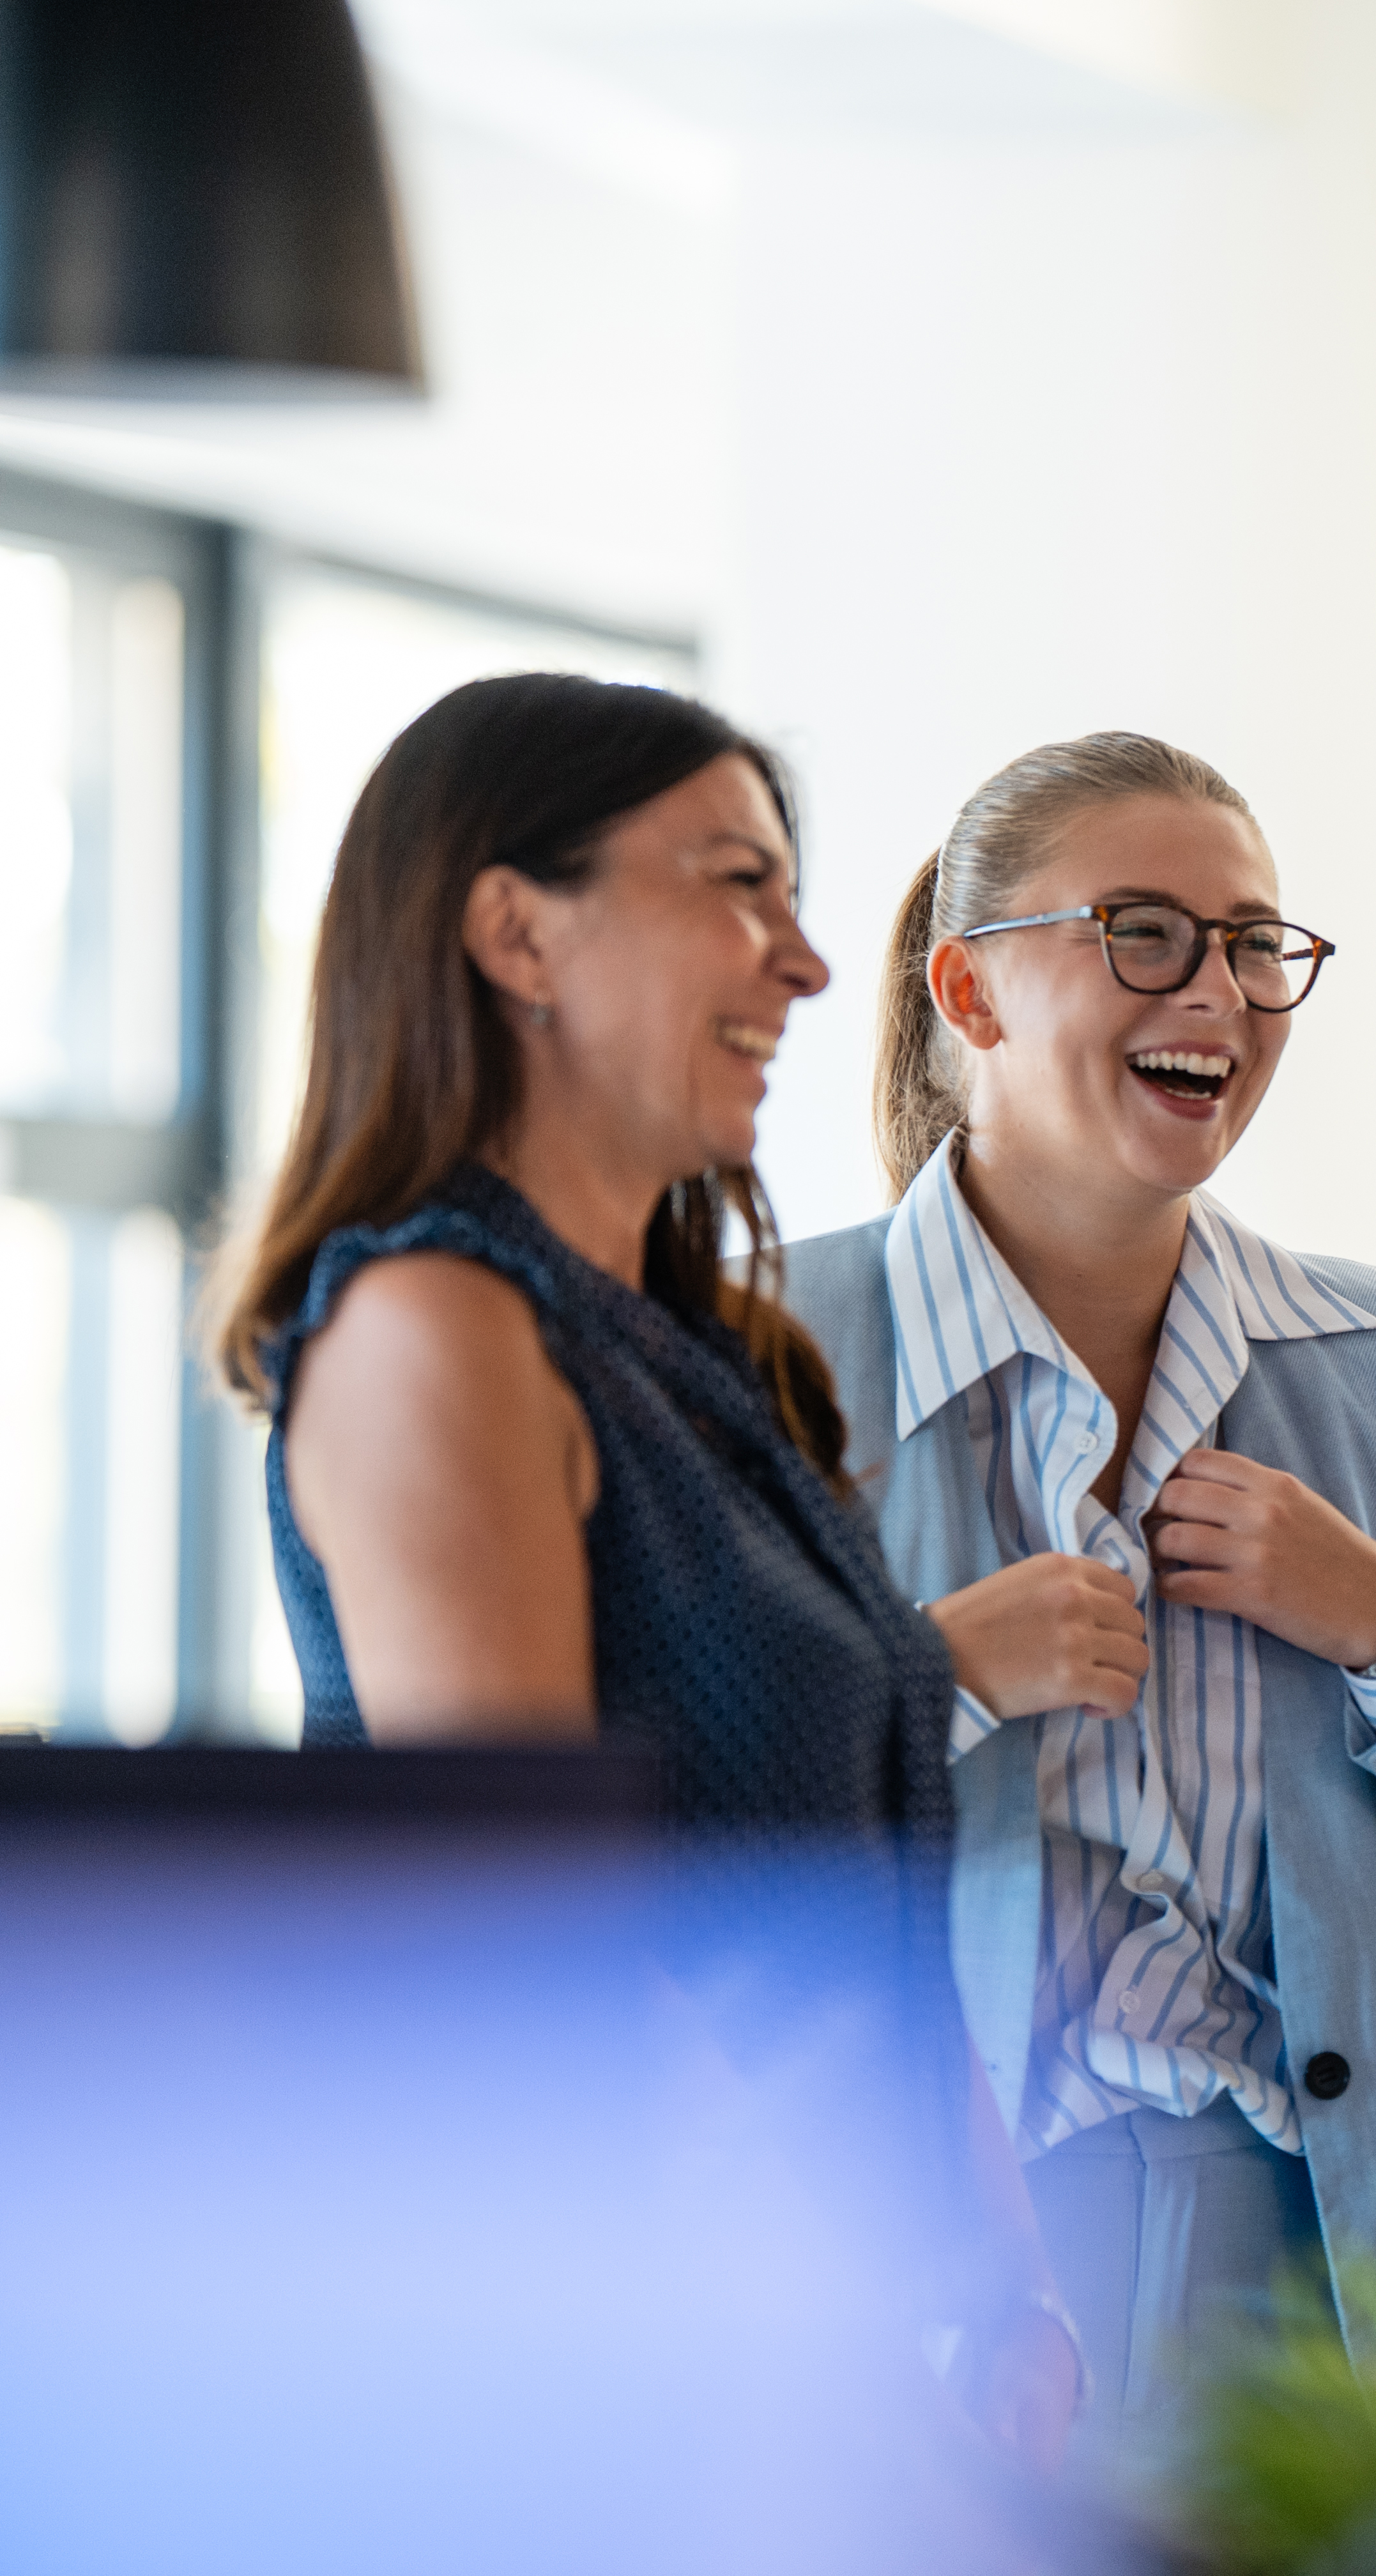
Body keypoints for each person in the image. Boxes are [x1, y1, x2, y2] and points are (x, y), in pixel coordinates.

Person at [211, 672, 1080, 2467]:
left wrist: (1005, 2280)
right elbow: (541, 1941)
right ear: (515, 931)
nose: (809, 963)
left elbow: (871, 1847)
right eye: (735, 885)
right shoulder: (432, 1329)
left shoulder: (720, 1360)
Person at [776, 732, 1376, 2482]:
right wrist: (932, 1676)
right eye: (1147, 933)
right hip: (923, 2307)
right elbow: (654, 1874)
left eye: (1259, 946)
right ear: (971, 987)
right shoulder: (772, 1345)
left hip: (1331, 2329)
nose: (1225, 994)